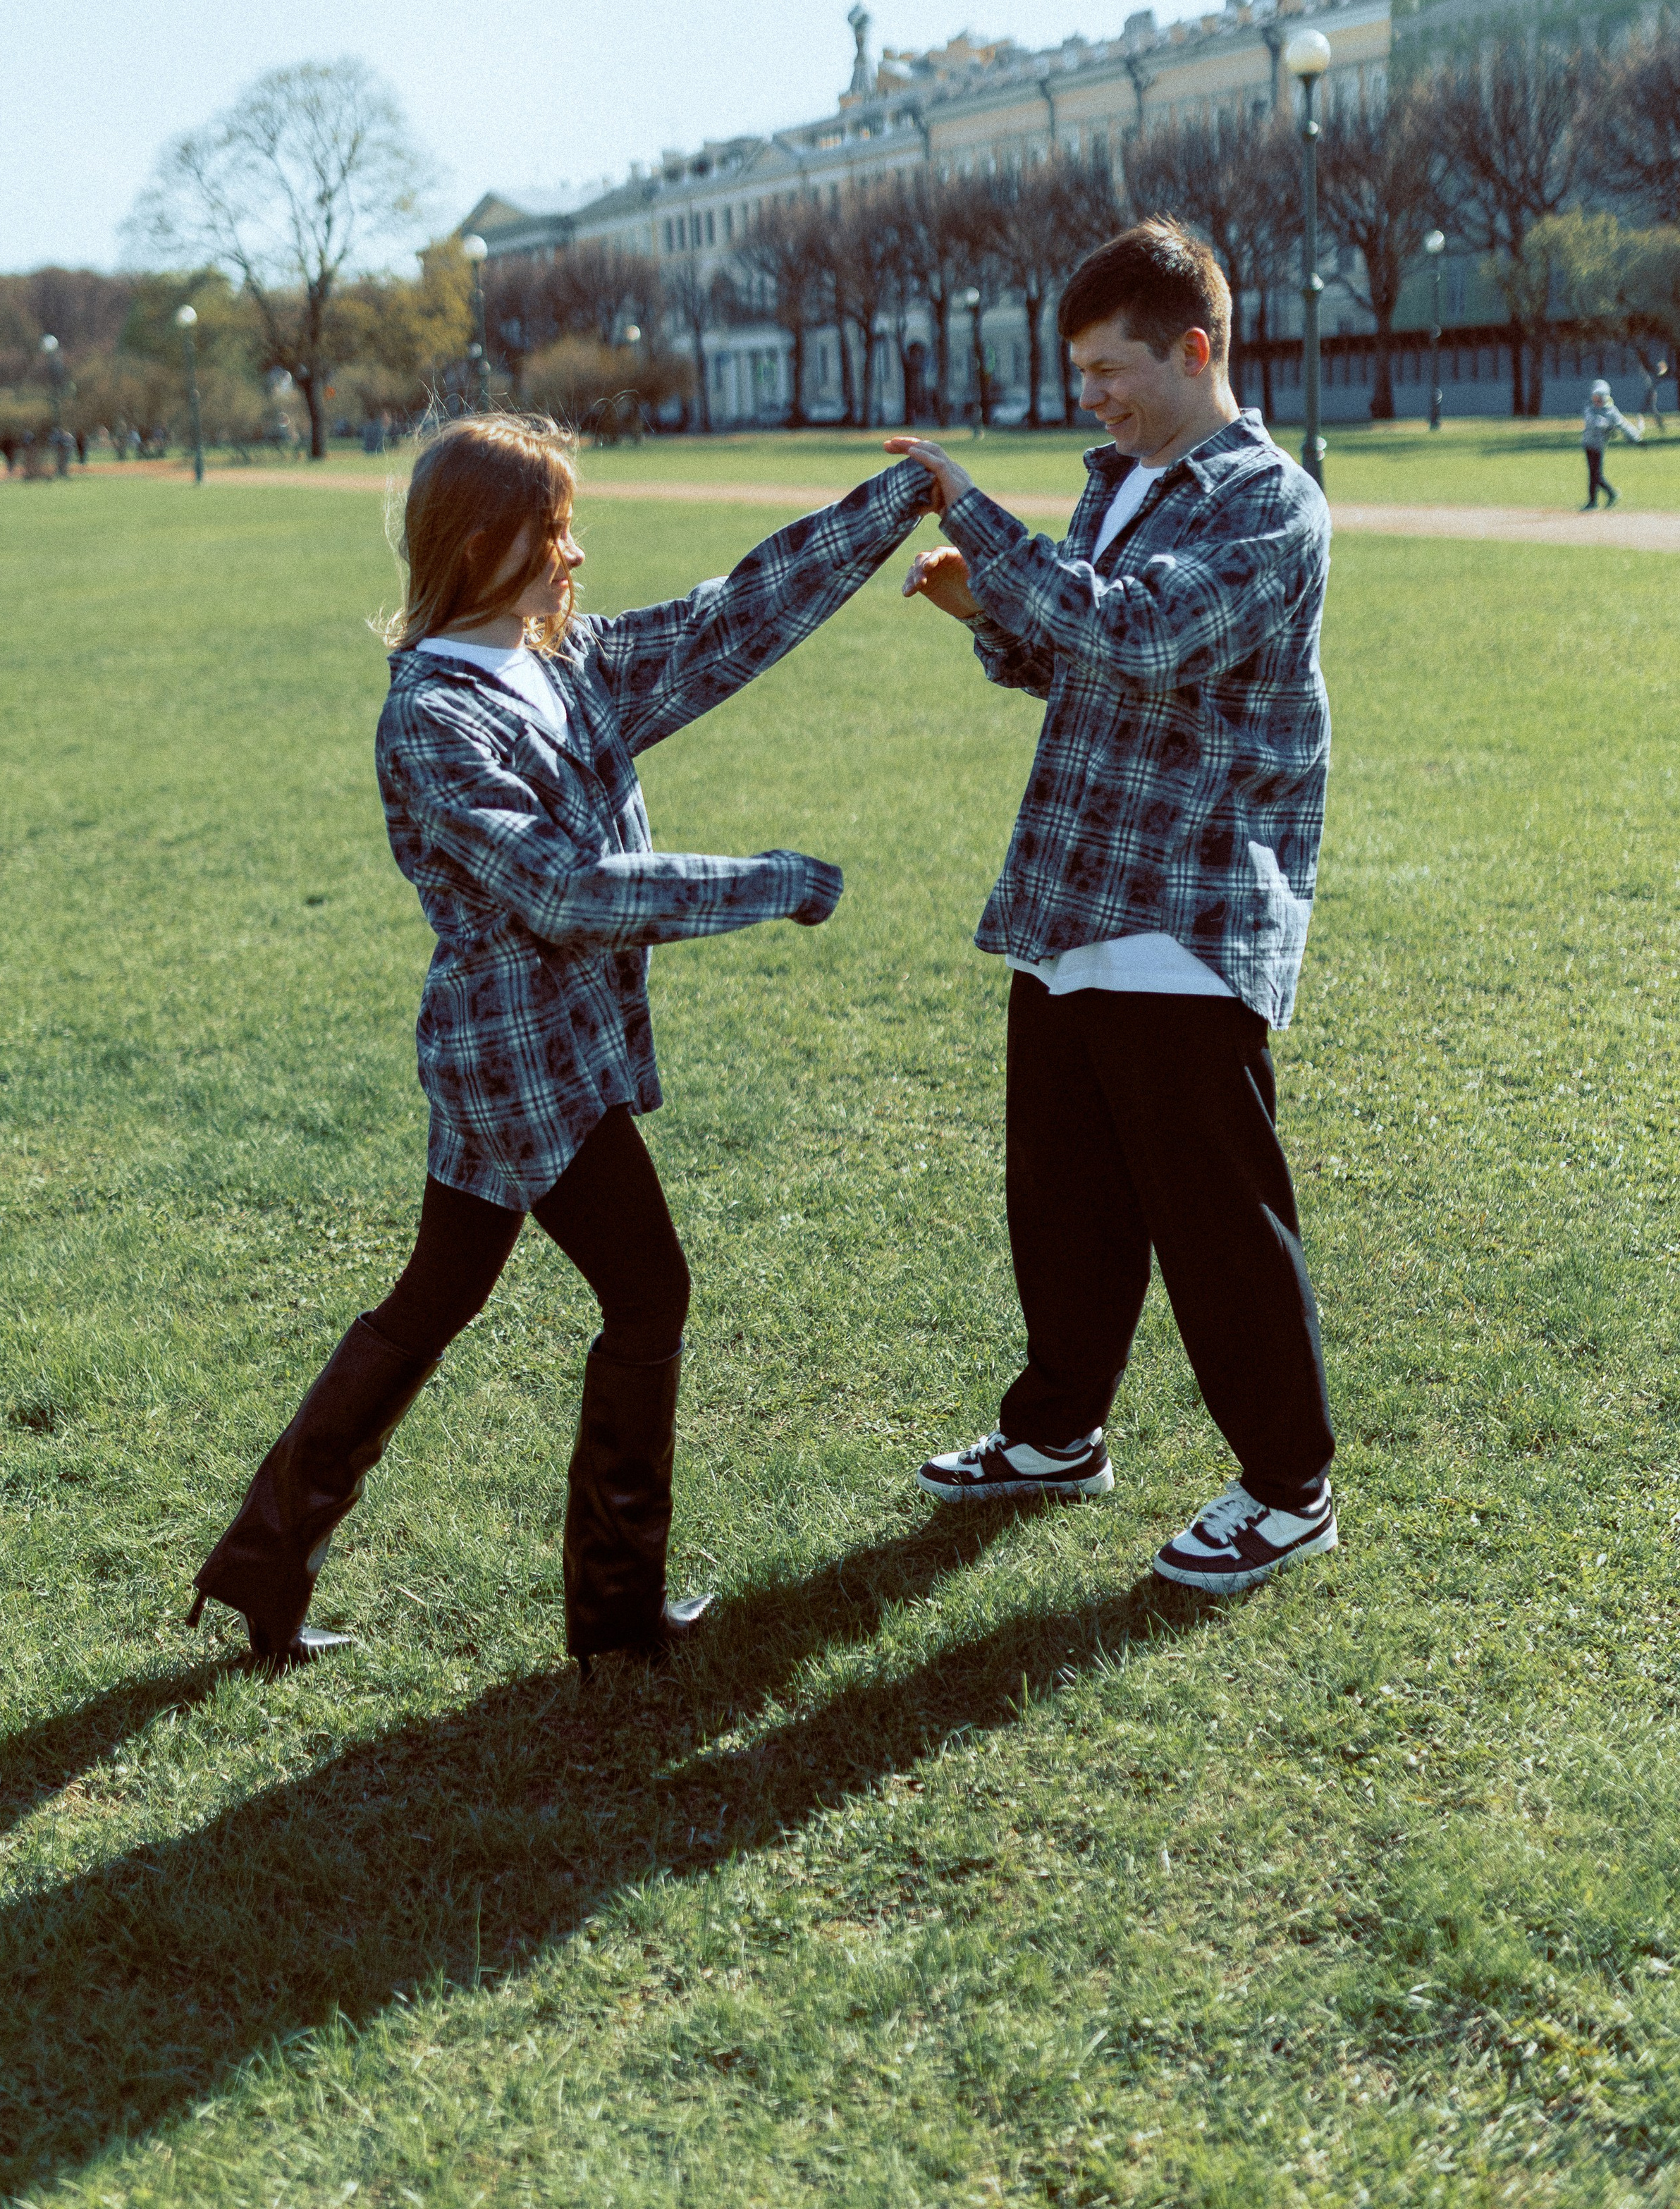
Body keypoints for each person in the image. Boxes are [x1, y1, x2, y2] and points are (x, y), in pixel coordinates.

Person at [188, 415, 933, 1672]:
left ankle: (262, 1569)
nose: (575, 555)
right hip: (517, 1057)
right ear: (482, 543)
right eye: (552, 532)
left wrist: (897, 500)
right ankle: (617, 1616)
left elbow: (730, 619)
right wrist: (770, 881)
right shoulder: (434, 716)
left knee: (437, 1294)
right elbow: (564, 892)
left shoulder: (562, 660)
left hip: (550, 1043)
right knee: (650, 1293)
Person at [886, 219, 1337, 1598]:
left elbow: (1137, 636)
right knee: (1062, 1199)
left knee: (1213, 1220)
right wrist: (984, 616)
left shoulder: (1267, 502)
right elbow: (1070, 650)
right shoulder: (1117, 482)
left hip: (1185, 912)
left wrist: (970, 510)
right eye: (1076, 369)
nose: (1089, 391)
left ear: (1193, 349)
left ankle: (1285, 1488)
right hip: (1074, 897)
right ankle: (1055, 1432)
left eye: (1107, 366)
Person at [1582, 377, 1641, 508]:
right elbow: (1593, 422)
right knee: (1593, 474)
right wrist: (1609, 426)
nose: (1596, 399)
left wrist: (1635, 436)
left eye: (1600, 397)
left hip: (1598, 446)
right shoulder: (1589, 409)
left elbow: (1623, 424)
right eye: (1595, 396)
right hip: (1588, 444)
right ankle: (1595, 501)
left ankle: (1608, 495)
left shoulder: (1611, 411)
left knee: (1596, 475)